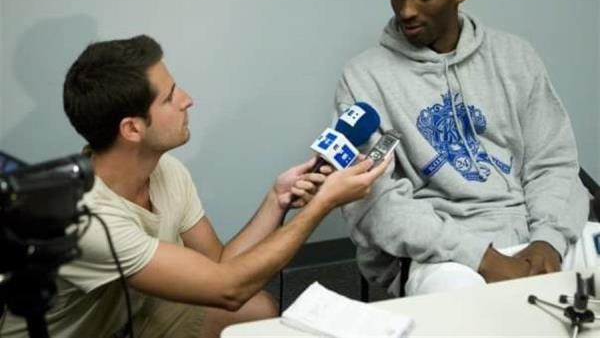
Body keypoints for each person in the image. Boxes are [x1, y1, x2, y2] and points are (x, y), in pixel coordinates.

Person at [1, 35, 391, 338]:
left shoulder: (165, 170)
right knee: (240, 300)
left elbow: (218, 264)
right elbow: (228, 287)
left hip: (130, 317)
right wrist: (320, 206)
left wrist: (277, 200)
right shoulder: (90, 219)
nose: (188, 100)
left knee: (257, 311)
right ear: (132, 128)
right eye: (171, 97)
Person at [336, 0, 599, 298]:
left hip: (535, 231)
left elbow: (553, 163)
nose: (406, 9)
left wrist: (548, 242)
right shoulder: (364, 77)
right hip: (443, 253)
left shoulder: (515, 57)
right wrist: (481, 258)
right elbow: (375, 201)